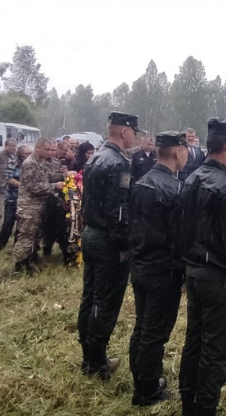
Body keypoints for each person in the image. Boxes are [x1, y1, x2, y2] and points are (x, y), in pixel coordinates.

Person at [178, 118, 226, 416]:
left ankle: (189, 401)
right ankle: (205, 407)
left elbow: (181, 229)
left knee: (193, 340)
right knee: (215, 348)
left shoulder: (192, 178)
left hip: (195, 271)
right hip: (218, 278)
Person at [77, 111, 144, 380]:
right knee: (105, 302)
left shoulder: (95, 157)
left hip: (91, 234)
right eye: (134, 132)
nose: (136, 137)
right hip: (107, 240)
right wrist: (125, 246)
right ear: (124, 131)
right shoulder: (118, 163)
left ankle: (89, 356)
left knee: (89, 296)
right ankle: (96, 363)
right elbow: (119, 212)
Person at [128, 131, 189, 406]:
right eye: (185, 149)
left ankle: (141, 380)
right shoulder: (174, 190)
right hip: (163, 271)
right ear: (177, 151)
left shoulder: (140, 182)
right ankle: (147, 390)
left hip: (140, 265)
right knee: (155, 332)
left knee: (142, 327)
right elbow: (180, 239)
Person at [11, 138, 65, 273]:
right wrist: (56, 186)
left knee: (36, 235)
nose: (49, 152)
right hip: (29, 206)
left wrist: (63, 175)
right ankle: (21, 263)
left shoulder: (41, 162)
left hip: (39, 206)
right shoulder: (30, 163)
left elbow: (49, 175)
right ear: (38, 148)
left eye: (51, 149)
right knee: (26, 235)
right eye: (46, 149)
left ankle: (32, 258)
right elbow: (37, 187)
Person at [0, 145, 32, 250]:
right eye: (26, 153)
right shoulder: (14, 163)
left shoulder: (32, 164)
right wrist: (23, 186)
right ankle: (1, 246)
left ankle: (16, 246)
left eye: (30, 153)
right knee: (8, 223)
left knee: (21, 225)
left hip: (26, 199)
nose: (28, 155)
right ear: (20, 154)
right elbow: (8, 178)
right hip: (12, 198)